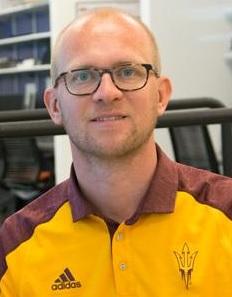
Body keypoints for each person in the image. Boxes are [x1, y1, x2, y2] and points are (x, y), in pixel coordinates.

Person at [0, 7, 232, 297]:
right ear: (54, 106)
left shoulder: (226, 213)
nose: (107, 92)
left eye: (127, 71)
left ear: (161, 96)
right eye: (82, 76)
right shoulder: (17, 245)